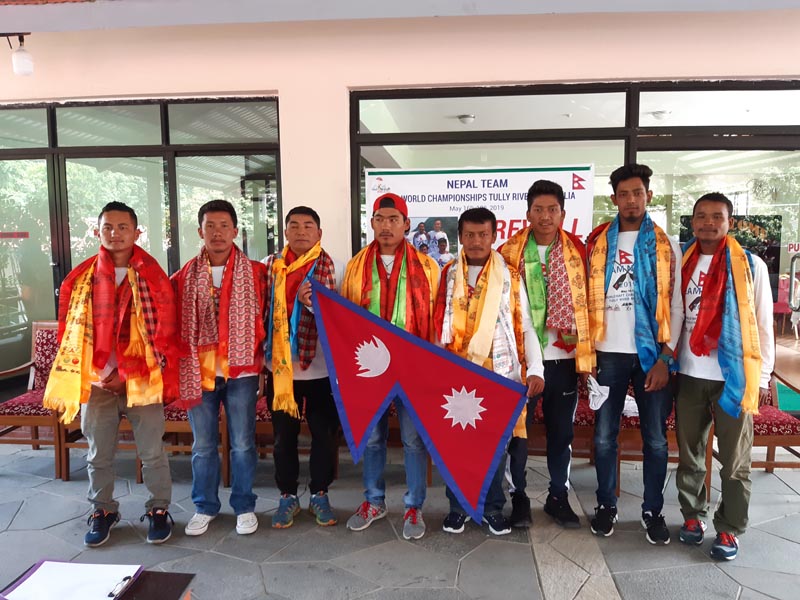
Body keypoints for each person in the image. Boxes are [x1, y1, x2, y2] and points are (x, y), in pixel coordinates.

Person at [44, 201, 179, 547]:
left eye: (123, 227)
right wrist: (98, 372)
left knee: (152, 452)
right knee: (98, 453)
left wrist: (128, 372)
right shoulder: (80, 278)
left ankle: (159, 509)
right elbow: (71, 334)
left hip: (142, 380)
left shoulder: (154, 277)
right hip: (98, 380)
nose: (115, 234)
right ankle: (102, 510)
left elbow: (166, 335)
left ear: (137, 232)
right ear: (97, 231)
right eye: (108, 227)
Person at [586, 164, 683, 544]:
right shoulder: (598, 242)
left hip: (650, 357)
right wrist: (587, 354)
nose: (631, 200)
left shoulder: (667, 245)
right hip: (607, 354)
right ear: (613, 199)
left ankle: (652, 509)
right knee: (604, 437)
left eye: (638, 193)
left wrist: (665, 357)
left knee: (656, 439)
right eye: (624, 194)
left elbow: (676, 307)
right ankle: (606, 505)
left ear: (649, 196)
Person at [676, 193, 774, 561]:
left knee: (734, 460)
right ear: (693, 222)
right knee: (690, 454)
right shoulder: (682, 260)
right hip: (689, 372)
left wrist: (763, 377)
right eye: (701, 216)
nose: (708, 223)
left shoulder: (751, 265)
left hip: (735, 376)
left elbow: (763, 324)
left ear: (729, 222)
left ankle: (730, 528)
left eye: (717, 216)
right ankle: (692, 516)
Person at [435, 208, 544, 536]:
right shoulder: (448, 275)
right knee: (456, 446)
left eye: (483, 234)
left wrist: (536, 368)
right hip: (457, 373)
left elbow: (525, 324)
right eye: (469, 235)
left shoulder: (509, 274)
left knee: (496, 447)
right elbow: (435, 323)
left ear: (494, 236)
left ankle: (492, 507)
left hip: (500, 372)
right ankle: (457, 507)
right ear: (460, 238)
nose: (477, 241)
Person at [342, 192, 439, 540]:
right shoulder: (354, 267)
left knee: (414, 441)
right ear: (371, 223)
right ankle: (374, 501)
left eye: (394, 219)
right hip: (369, 368)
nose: (386, 226)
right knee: (372, 438)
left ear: (407, 224)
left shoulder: (429, 267)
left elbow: (437, 320)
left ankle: (414, 506)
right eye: (380, 219)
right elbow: (345, 320)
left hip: (413, 368)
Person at [500, 180, 592, 529]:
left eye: (552, 209)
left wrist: (587, 358)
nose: (545, 216)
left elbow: (590, 307)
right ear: (527, 214)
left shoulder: (578, 253)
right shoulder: (508, 253)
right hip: (521, 361)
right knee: (517, 433)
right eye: (538, 209)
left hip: (564, 359)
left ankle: (558, 495)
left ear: (563, 214)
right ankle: (518, 497)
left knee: (561, 433)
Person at [173, 199, 268, 537]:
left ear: (235, 231)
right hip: (199, 374)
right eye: (210, 226)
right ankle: (204, 506)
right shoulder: (184, 275)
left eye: (223, 226)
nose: (217, 233)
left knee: (242, 443)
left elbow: (272, 319)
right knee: (203, 445)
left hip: (241, 373)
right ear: (200, 231)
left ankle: (244, 505)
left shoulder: (257, 273)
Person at [263, 206, 344, 529]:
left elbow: (345, 315)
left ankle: (320, 493)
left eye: (308, 226)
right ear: (285, 233)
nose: (300, 231)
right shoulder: (270, 267)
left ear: (319, 233)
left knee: (324, 436)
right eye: (293, 226)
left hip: (323, 368)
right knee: (284, 437)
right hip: (280, 368)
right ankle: (287, 496)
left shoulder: (336, 266)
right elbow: (260, 313)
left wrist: (316, 303)